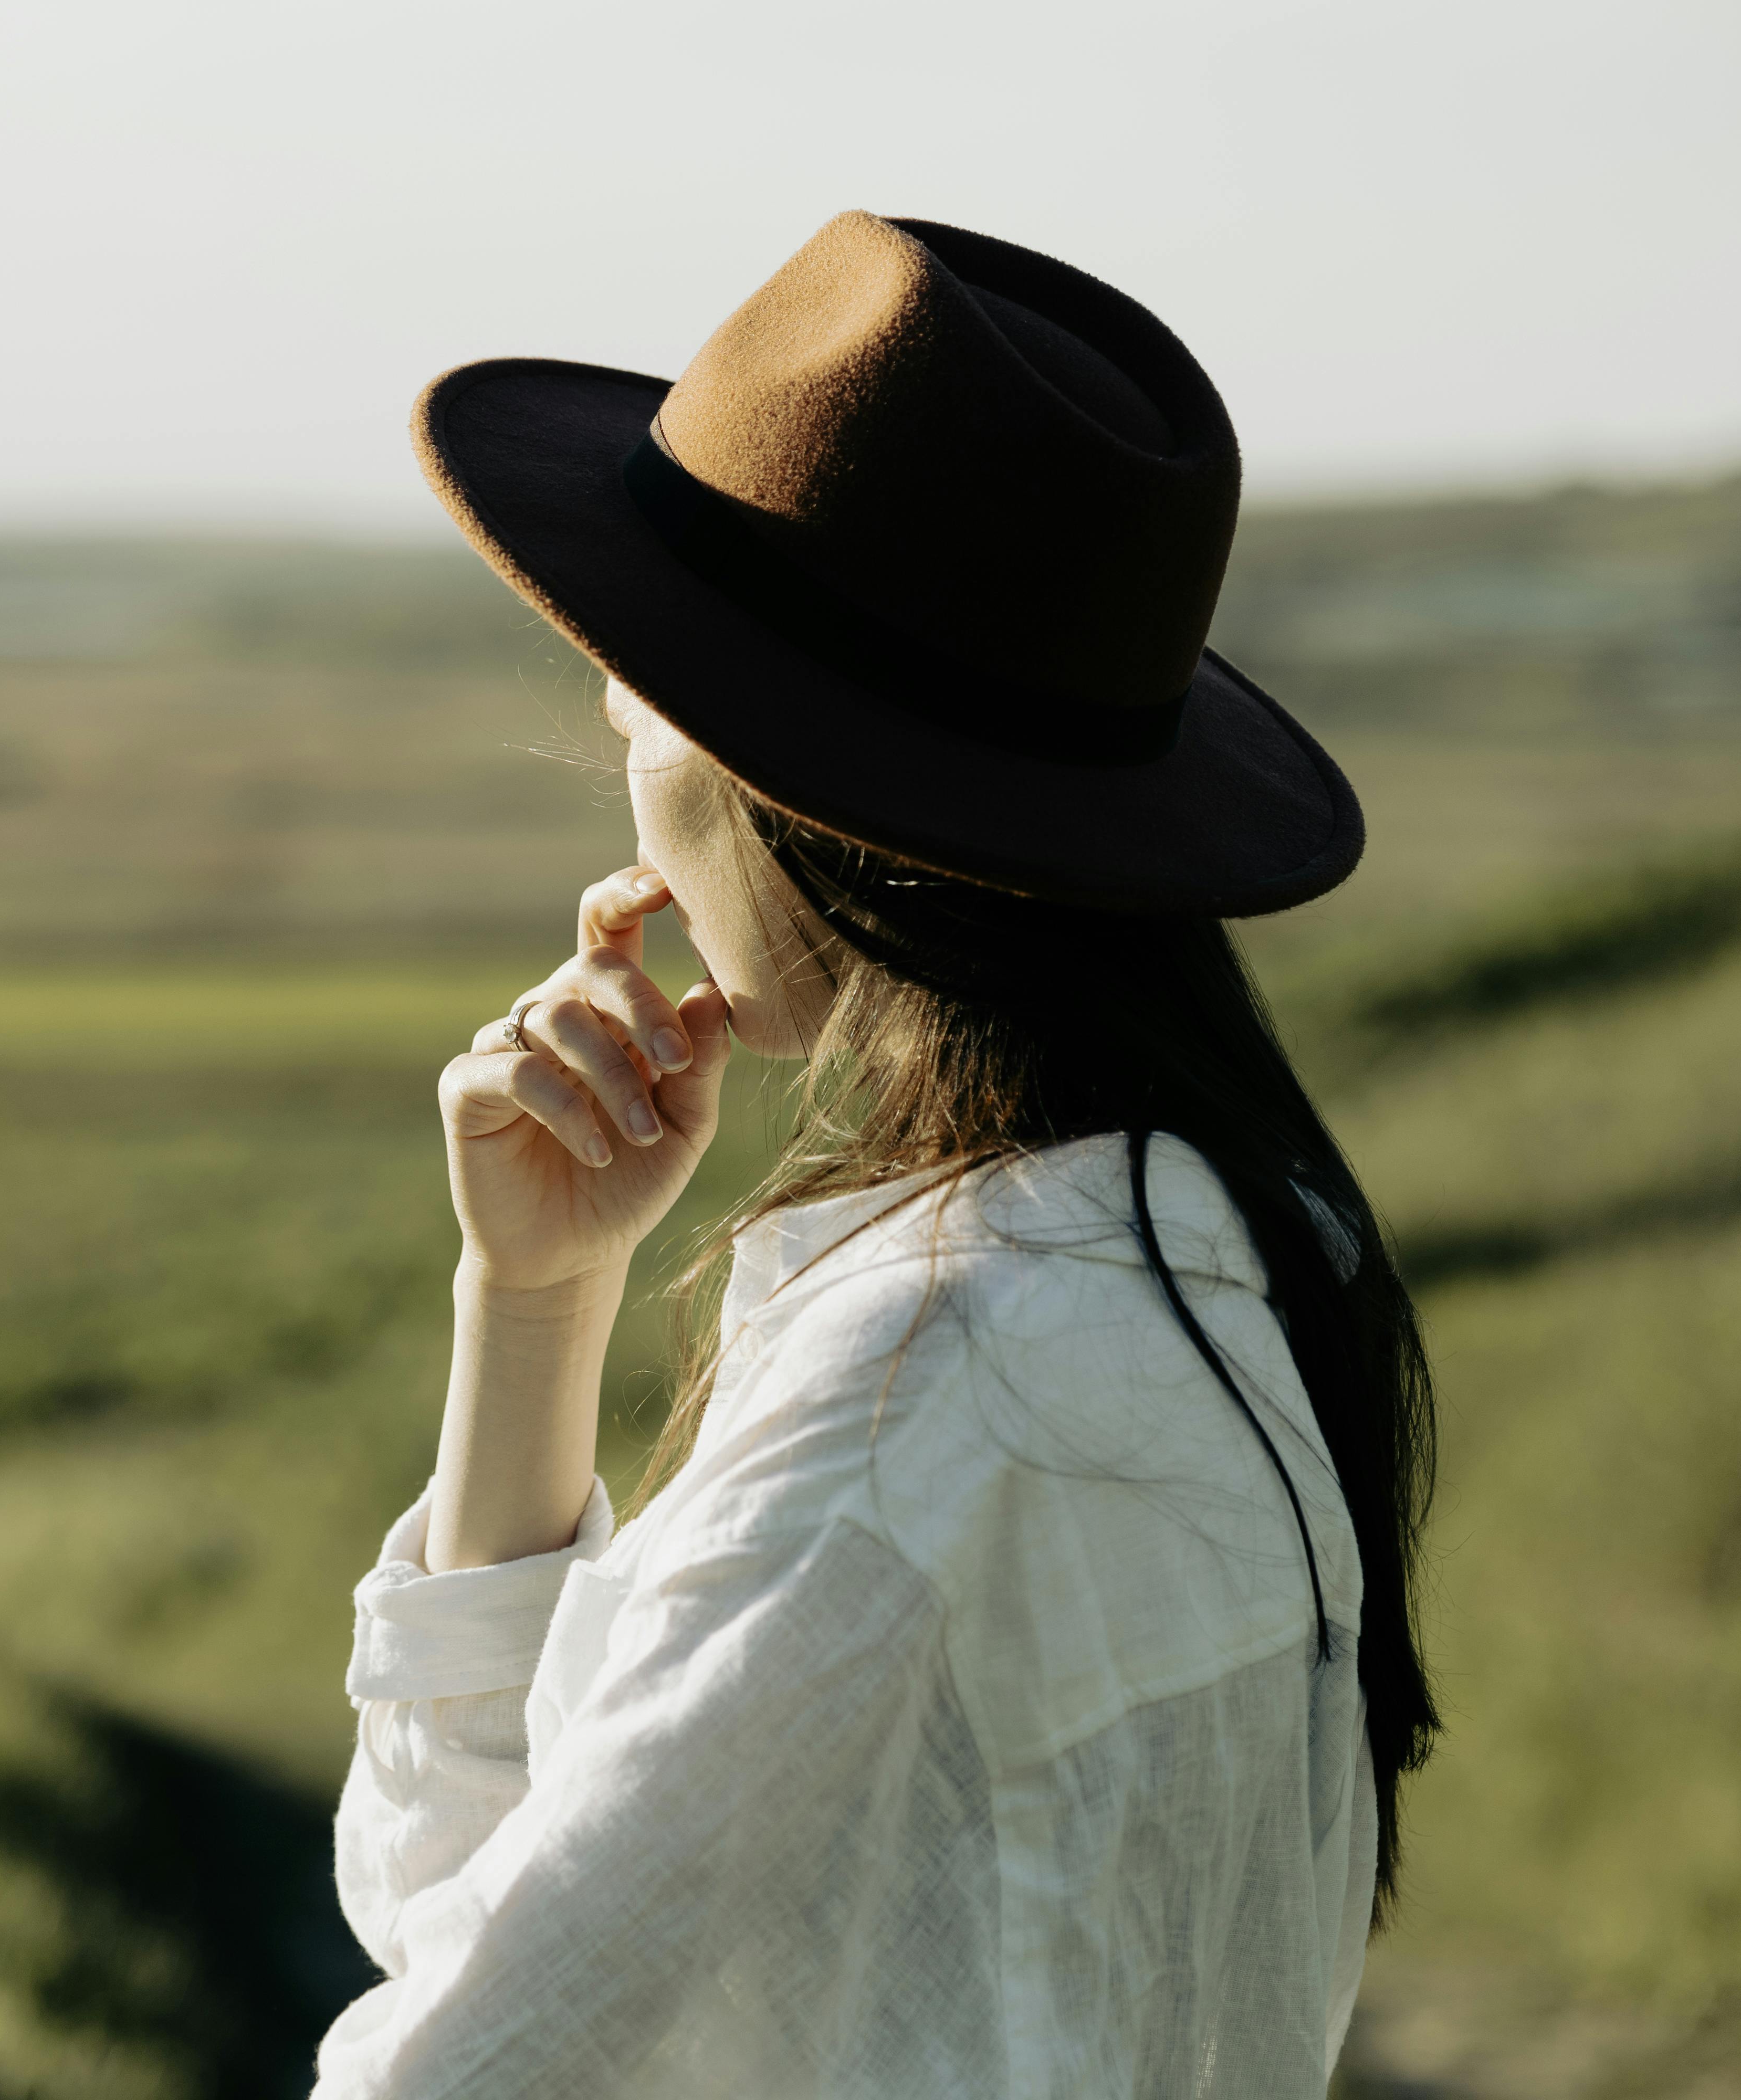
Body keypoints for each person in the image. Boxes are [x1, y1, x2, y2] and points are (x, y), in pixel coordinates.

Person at [316, 212, 1438, 2096]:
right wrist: (533, 1300)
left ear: (778, 775)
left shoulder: (935, 1393)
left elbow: (452, 2062)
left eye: (630, 691)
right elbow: (498, 1912)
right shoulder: (1232, 1247)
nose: (621, 758)